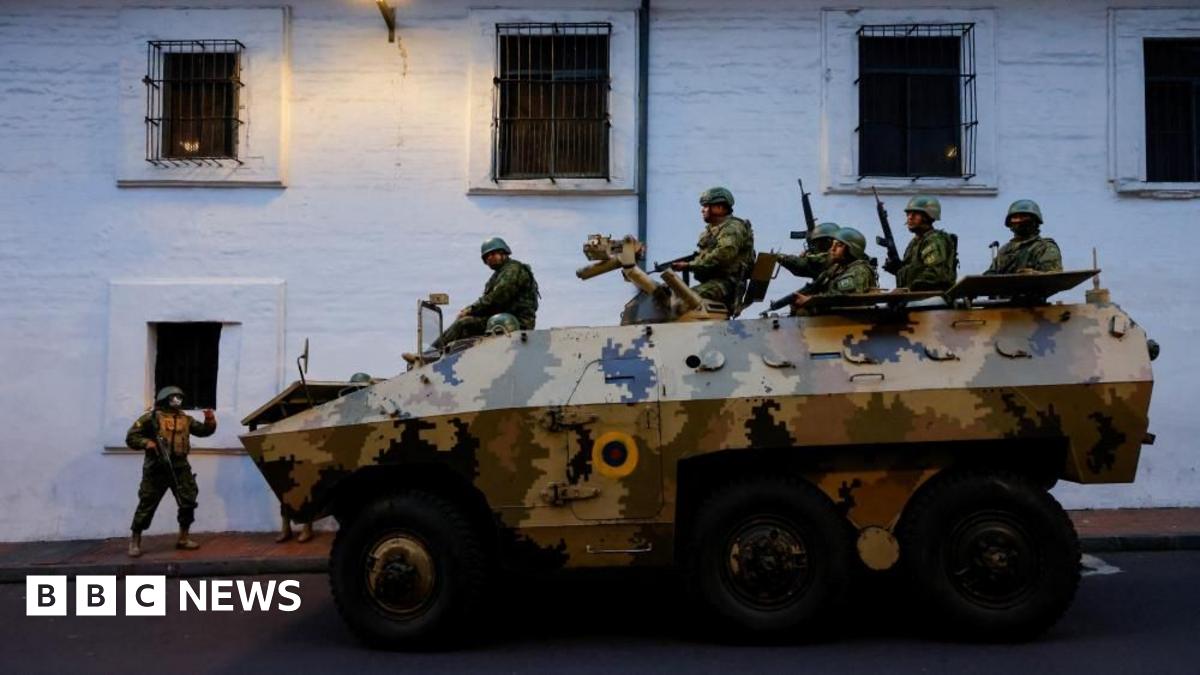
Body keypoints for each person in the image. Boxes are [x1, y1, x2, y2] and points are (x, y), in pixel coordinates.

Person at [125, 386, 216, 557]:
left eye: (179, 397)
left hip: (180, 467)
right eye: (173, 397)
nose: (177, 400)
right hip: (156, 467)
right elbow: (131, 437)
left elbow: (204, 431)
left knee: (188, 501)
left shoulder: (186, 419)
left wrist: (209, 419)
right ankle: (135, 540)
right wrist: (147, 443)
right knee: (147, 503)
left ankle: (183, 538)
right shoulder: (150, 418)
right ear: (164, 398)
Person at [425, 237, 539, 353]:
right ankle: (438, 353)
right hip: (501, 319)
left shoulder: (513, 270)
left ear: (503, 253)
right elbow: (491, 302)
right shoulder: (499, 274)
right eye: (486, 257)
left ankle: (431, 354)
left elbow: (497, 298)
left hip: (517, 322)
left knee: (463, 324)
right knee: (466, 330)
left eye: (493, 254)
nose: (489, 258)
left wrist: (470, 310)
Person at [670, 187, 756, 312]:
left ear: (720, 208)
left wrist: (690, 265)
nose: (702, 210)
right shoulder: (712, 230)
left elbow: (723, 255)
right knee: (669, 295)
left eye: (706, 206)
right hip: (713, 282)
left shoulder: (733, 228)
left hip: (728, 284)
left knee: (684, 300)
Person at [790, 227, 879, 311]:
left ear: (851, 250)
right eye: (833, 244)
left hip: (851, 319)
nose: (832, 249)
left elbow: (842, 297)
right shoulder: (837, 268)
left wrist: (811, 300)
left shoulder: (859, 270)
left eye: (838, 245)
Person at [886, 195, 957, 291]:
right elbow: (916, 269)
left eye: (915, 214)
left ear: (927, 217)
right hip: (917, 295)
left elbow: (935, 275)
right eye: (908, 214)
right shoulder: (915, 242)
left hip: (932, 295)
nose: (910, 217)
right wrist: (898, 269)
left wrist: (904, 274)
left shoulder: (934, 240)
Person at [985, 199, 1062, 274]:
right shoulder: (1005, 250)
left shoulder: (1044, 247)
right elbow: (992, 274)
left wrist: (1033, 274)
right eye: (1015, 217)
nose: (1018, 221)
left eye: (1023, 217)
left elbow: (1054, 276)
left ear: (1035, 221)